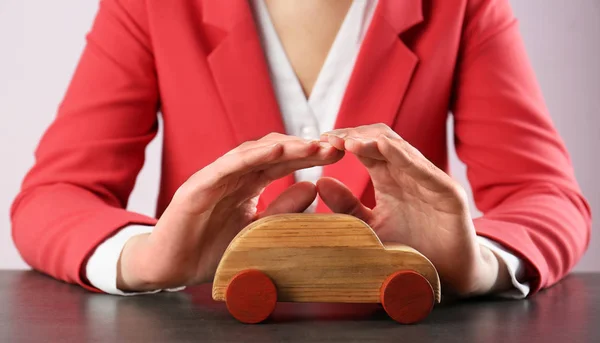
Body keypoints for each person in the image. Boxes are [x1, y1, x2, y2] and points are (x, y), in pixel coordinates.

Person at [10, 0, 591, 299]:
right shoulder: (153, 5)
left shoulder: (460, 7)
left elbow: (546, 197)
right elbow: (53, 197)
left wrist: (479, 264)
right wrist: (146, 258)